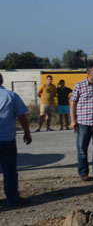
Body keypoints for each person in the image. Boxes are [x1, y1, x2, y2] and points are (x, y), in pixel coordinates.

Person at [0, 73, 32, 207]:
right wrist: (27, 133)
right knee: (9, 171)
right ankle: (12, 198)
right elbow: (21, 116)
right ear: (1, 80)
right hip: (6, 139)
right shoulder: (10, 95)